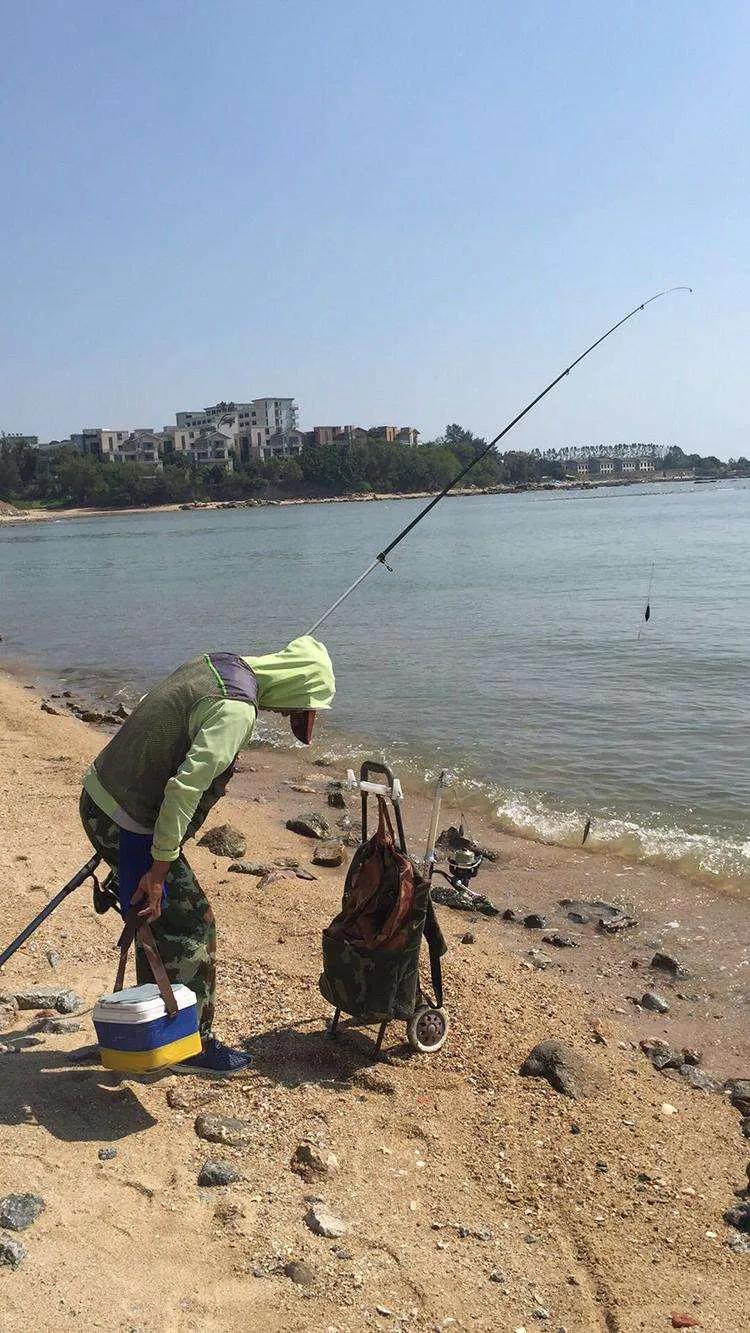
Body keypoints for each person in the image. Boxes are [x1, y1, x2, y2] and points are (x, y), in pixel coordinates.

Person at [80, 635, 335, 1074]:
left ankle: (154, 1025)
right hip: (125, 818)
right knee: (192, 921)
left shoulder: (218, 665)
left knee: (156, 916)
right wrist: (158, 868)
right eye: (299, 709)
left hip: (101, 793)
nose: (287, 715)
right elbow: (184, 789)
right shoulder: (237, 710)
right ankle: (192, 1044)